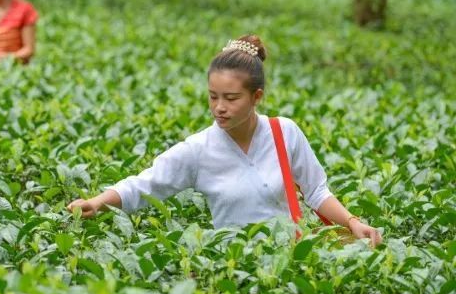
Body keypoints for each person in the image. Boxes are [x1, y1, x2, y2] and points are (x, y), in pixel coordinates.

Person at [67, 35, 383, 247]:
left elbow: (315, 190)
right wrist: (97, 201)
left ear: (256, 96)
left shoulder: (283, 132)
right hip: (235, 264)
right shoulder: (198, 150)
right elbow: (144, 185)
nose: (220, 107)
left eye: (231, 98)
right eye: (213, 97)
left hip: (293, 260)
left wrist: (352, 222)